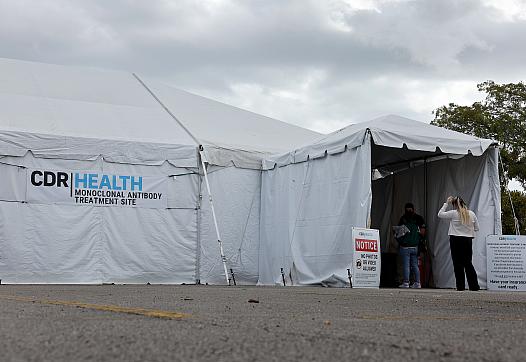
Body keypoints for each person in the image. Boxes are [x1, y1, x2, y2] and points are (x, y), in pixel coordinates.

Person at [438, 196, 480, 291]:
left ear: (454, 205)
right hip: (467, 240)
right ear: (463, 203)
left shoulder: (453, 213)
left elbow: (440, 214)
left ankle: (460, 286)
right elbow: (477, 228)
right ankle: (474, 286)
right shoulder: (471, 214)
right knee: (468, 263)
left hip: (455, 239)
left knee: (457, 263)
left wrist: (446, 203)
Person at [396, 202, 425, 288]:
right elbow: (423, 233)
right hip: (415, 246)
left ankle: (406, 283)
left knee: (406, 265)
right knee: (415, 265)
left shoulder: (403, 219)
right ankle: (417, 283)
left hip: (405, 246)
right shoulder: (418, 219)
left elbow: (398, 233)